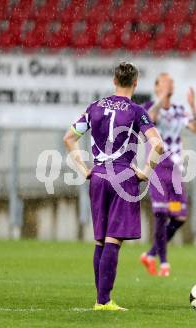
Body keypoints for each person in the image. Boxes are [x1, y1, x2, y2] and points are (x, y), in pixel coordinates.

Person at [63, 62, 163, 311]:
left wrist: (85, 168)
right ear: (136, 83)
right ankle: (104, 301)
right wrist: (146, 172)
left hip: (97, 175)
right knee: (113, 241)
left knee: (100, 241)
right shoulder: (136, 110)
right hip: (122, 176)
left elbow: (69, 138)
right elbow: (158, 145)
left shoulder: (94, 108)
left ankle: (101, 300)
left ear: (114, 80)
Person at [140, 73, 196, 277]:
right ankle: (164, 263)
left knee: (180, 215)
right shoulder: (149, 106)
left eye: (172, 82)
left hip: (175, 171)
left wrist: (193, 106)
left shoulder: (178, 110)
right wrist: (161, 99)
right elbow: (153, 118)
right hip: (157, 167)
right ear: (157, 87)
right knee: (161, 214)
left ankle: (151, 254)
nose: (170, 85)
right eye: (165, 82)